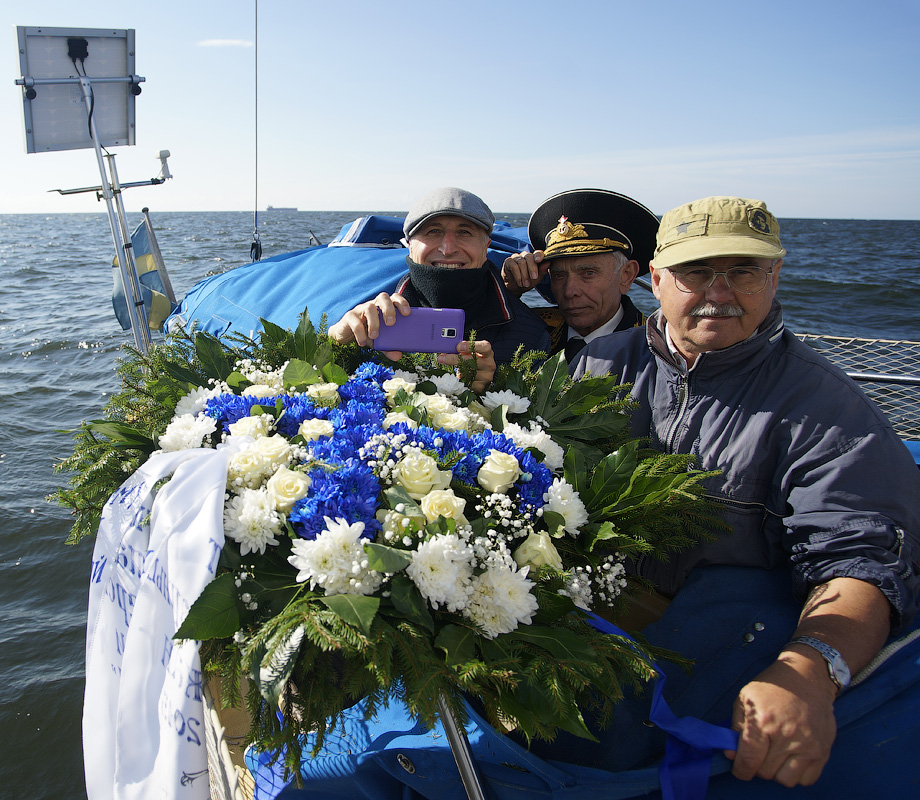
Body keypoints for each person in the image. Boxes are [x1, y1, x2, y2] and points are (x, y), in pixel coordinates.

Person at [568, 196, 920, 789]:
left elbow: (862, 561)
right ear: (656, 280)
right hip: (594, 628)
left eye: (744, 271)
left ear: (775, 277)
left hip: (723, 640)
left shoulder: (829, 411)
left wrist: (810, 669)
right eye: (697, 271)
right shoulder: (599, 364)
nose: (721, 291)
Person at [328, 187, 550, 390]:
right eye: (433, 231)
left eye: (465, 232)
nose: (448, 248)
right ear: (409, 245)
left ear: (486, 246)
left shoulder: (529, 334)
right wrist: (335, 344)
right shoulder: (372, 315)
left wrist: (490, 388)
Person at [500, 188, 657, 359]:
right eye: (559, 275)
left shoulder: (656, 350)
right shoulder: (532, 329)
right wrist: (508, 291)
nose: (569, 291)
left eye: (588, 273)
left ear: (627, 275)